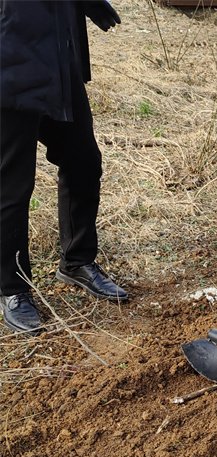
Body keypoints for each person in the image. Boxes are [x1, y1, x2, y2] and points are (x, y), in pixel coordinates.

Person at [0, 0, 128, 335]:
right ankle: (12, 288)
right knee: (12, 183)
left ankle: (77, 261)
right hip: (9, 59)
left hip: (56, 56)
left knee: (83, 160)